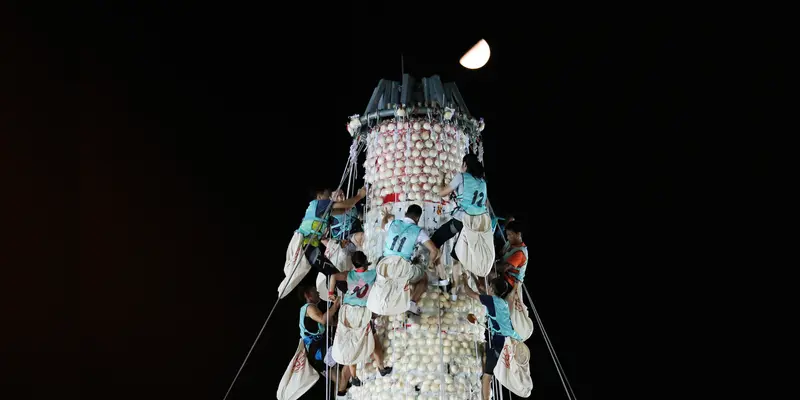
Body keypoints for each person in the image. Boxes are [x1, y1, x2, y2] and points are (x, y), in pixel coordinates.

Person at [328, 251, 391, 386]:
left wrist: (331, 293)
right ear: (365, 261)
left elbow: (333, 276)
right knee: (372, 339)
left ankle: (354, 376)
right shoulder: (373, 274)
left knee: (351, 342)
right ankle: (381, 368)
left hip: (347, 312)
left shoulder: (349, 274)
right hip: (361, 314)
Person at [461, 274, 522, 400]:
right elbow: (482, 290)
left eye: (490, 286)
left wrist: (464, 280)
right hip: (512, 341)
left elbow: (469, 293)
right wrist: (473, 275)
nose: (488, 287)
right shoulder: (502, 302)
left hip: (502, 342)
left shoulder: (491, 300)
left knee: (487, 377)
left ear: (492, 289)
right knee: (486, 359)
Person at [380, 204, 442, 314]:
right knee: (423, 277)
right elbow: (434, 251)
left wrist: (386, 215)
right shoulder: (418, 231)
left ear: (405, 213)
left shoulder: (393, 223)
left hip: (384, 266)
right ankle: (412, 303)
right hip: (400, 268)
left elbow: (383, 225)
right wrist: (430, 264)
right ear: (418, 218)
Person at [297, 187, 366, 277]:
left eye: (342, 194)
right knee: (332, 272)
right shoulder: (320, 204)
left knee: (331, 271)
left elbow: (345, 209)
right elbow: (342, 207)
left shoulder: (319, 208)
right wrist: (359, 196)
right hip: (307, 245)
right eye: (327, 195)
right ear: (319, 196)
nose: (329, 197)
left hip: (311, 245)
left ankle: (342, 284)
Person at [431, 154, 489, 260]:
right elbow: (485, 204)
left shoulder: (462, 176)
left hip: (463, 219)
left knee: (435, 241)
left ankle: (435, 269)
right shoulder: (483, 182)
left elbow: (442, 193)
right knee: (458, 255)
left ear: (465, 164)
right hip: (478, 222)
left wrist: (441, 179)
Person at [297, 285, 350, 395]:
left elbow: (331, 321)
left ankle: (341, 394)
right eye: (315, 291)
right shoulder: (309, 307)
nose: (318, 293)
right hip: (319, 353)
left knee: (340, 382)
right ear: (308, 295)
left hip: (317, 358)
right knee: (352, 354)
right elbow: (323, 319)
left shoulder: (312, 311)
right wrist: (335, 305)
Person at [498, 221, 528, 288]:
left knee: (489, 274)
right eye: (507, 235)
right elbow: (500, 253)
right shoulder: (509, 243)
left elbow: (504, 268)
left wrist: (491, 266)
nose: (508, 237)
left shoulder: (520, 253)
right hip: (503, 274)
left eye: (510, 235)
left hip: (511, 282)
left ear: (518, 234)